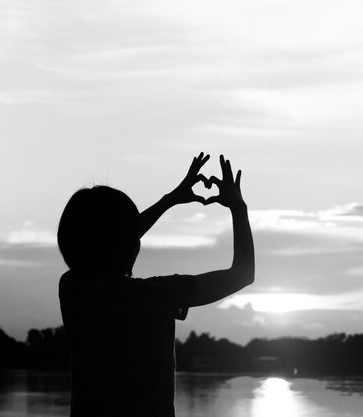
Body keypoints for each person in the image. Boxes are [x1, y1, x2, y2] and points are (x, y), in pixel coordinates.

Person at [57, 153, 254, 417]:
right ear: (131, 245)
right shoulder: (157, 297)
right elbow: (242, 274)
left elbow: (111, 239)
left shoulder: (72, 290)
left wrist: (170, 200)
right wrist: (238, 209)